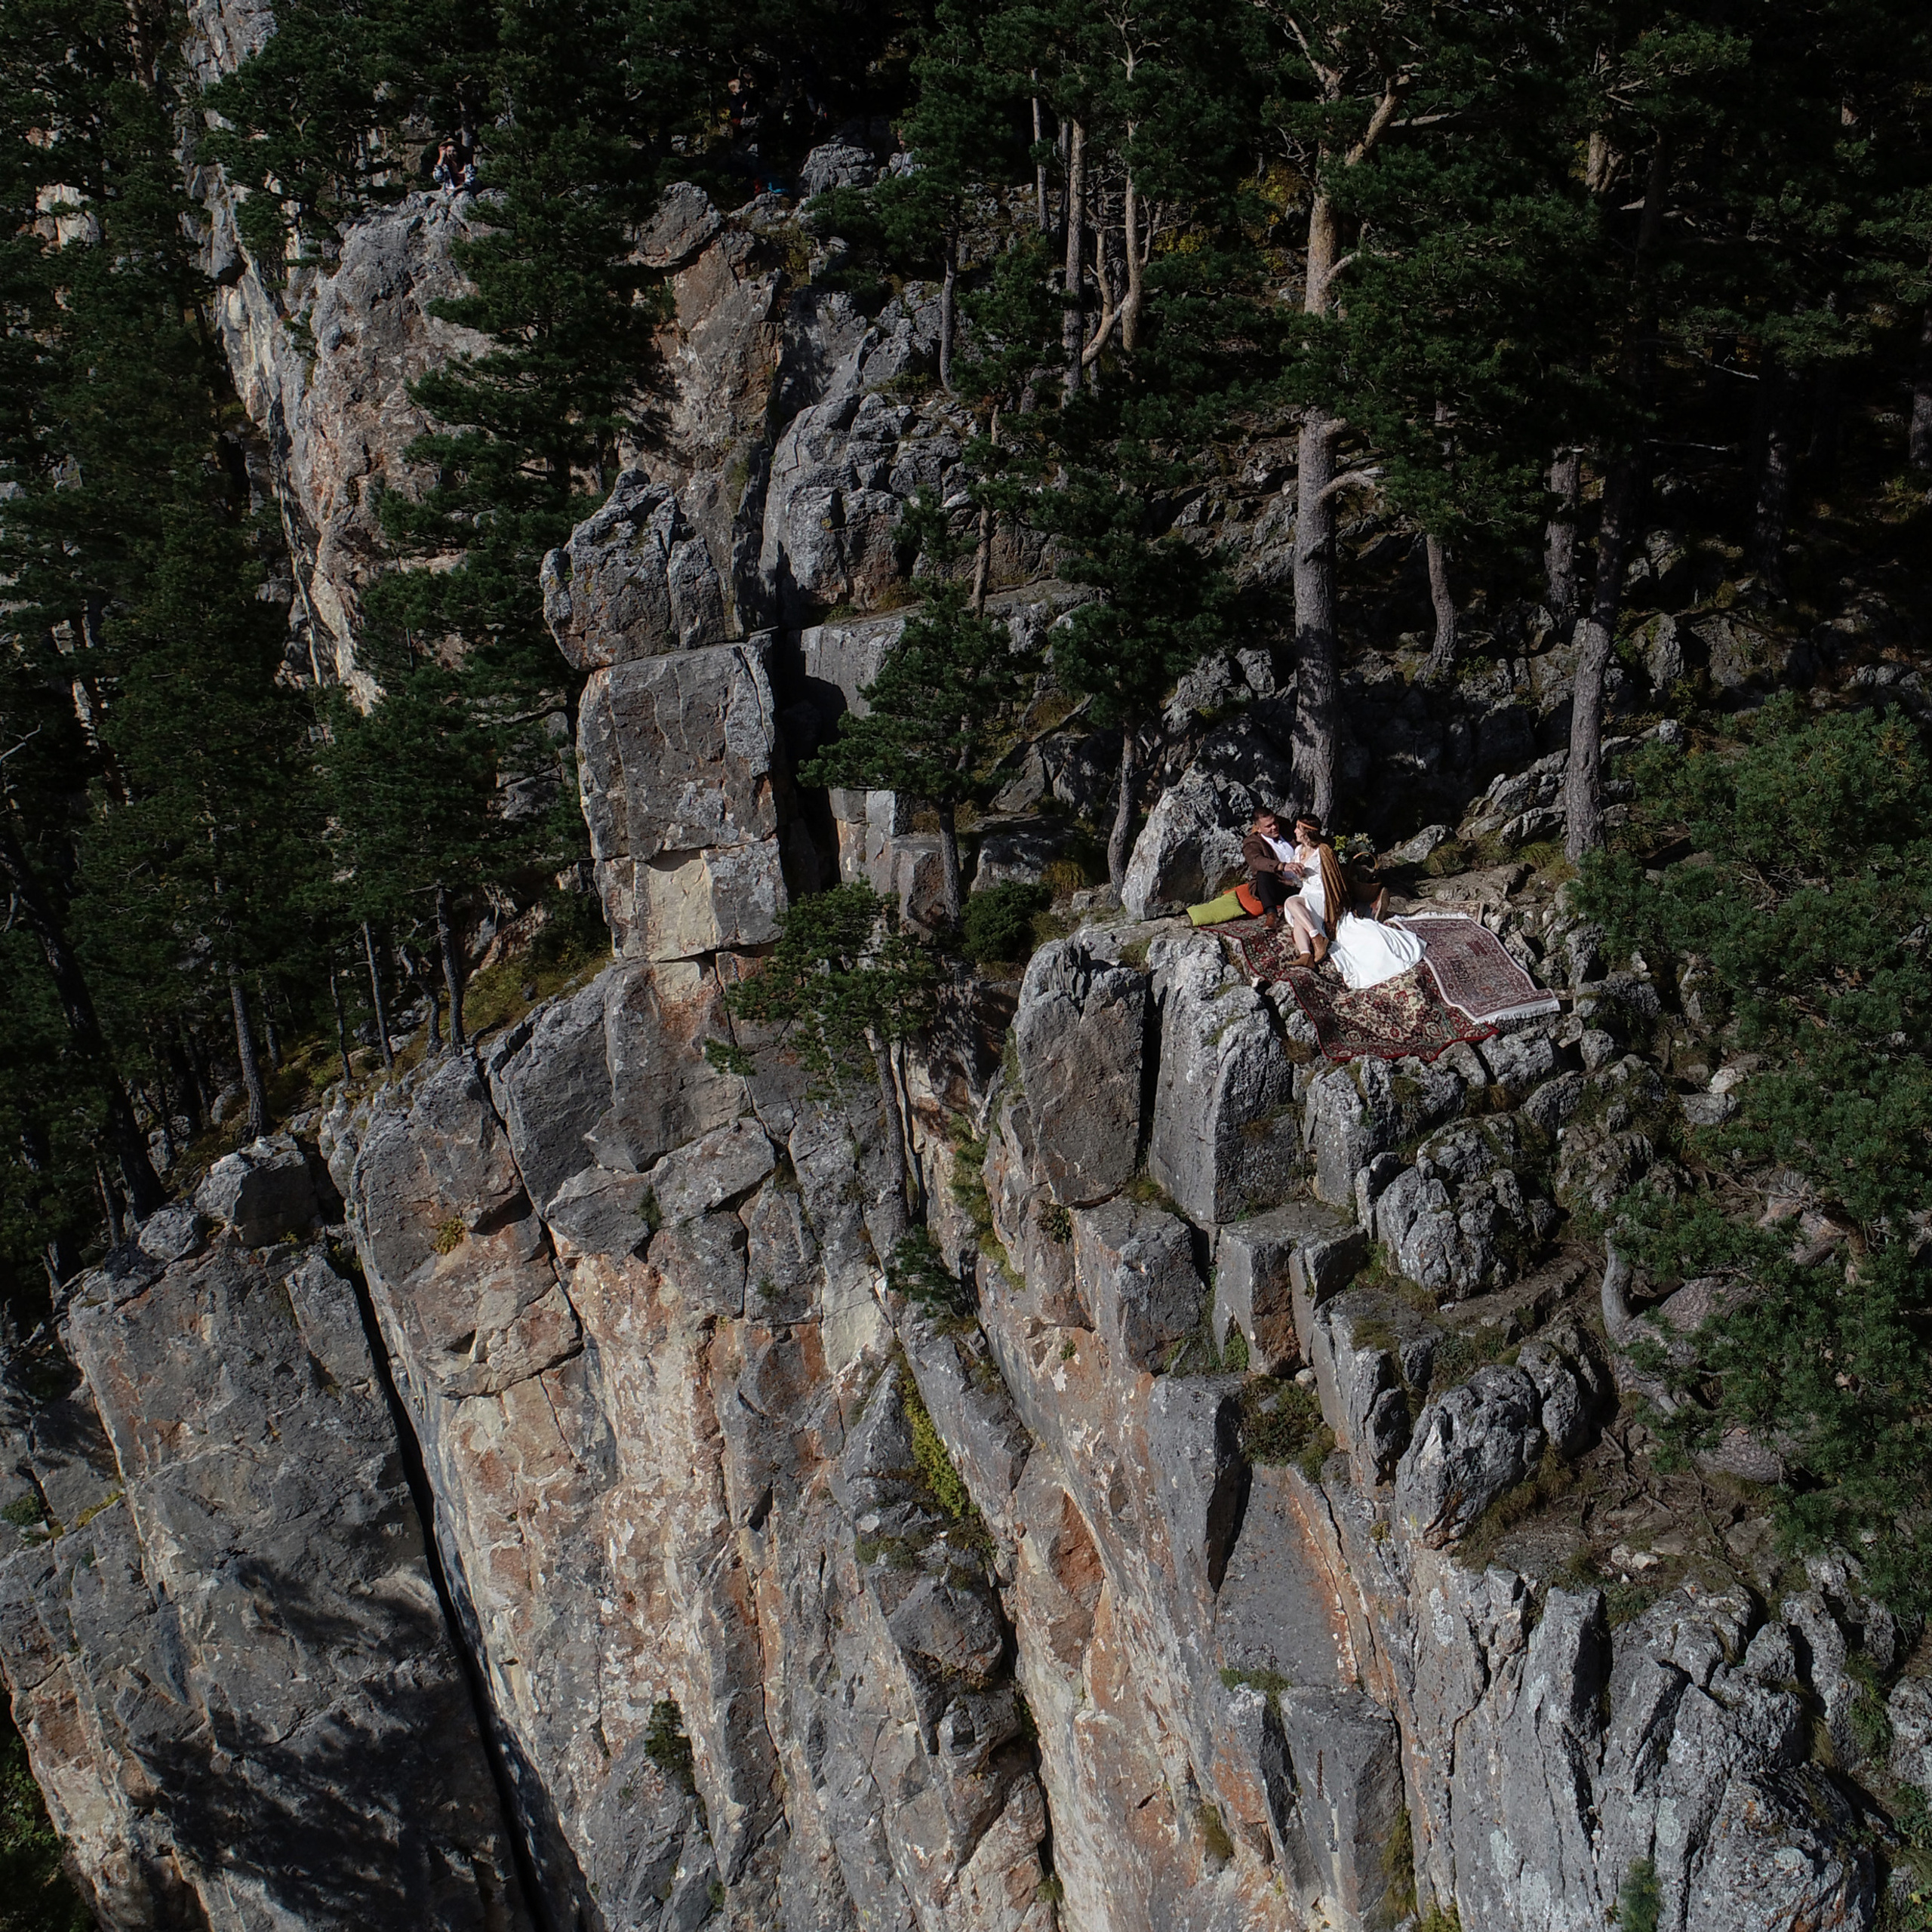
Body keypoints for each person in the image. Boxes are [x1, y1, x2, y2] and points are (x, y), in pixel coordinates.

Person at [1291, 815, 1423, 990]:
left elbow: (1332, 879)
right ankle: (1306, 955)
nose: (1294, 832)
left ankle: (1316, 938)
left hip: (1322, 896)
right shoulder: (1298, 851)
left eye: (1298, 829)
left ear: (1307, 832)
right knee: (1297, 917)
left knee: (1291, 903)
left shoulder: (1323, 850)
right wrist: (1298, 873)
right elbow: (1298, 878)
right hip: (1306, 893)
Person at [1243, 808, 1327, 960]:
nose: (1274, 827)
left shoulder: (1288, 830)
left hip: (1303, 884)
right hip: (1279, 884)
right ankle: (1271, 914)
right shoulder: (1252, 842)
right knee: (1263, 874)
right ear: (1258, 828)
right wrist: (1282, 866)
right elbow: (1256, 861)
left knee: (1300, 908)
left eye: (1274, 823)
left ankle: (1306, 954)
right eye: (1268, 826)